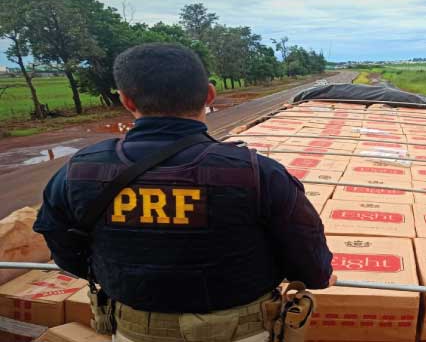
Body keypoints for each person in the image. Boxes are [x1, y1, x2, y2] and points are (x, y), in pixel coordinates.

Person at [33, 43, 334, 342]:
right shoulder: (257, 173)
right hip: (243, 332)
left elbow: (59, 240)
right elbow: (307, 252)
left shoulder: (79, 171)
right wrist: (315, 276)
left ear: (125, 100)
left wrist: (111, 276)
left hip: (132, 331)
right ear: (210, 95)